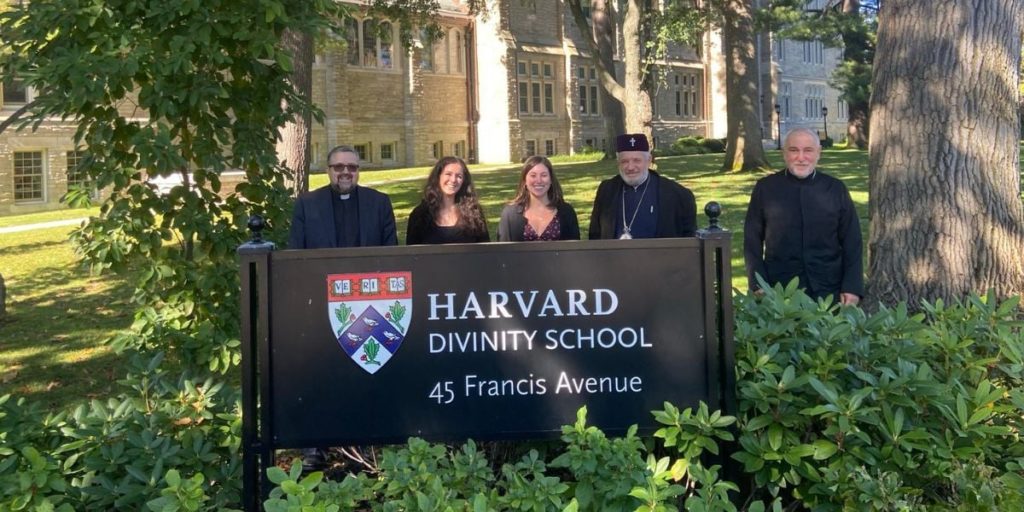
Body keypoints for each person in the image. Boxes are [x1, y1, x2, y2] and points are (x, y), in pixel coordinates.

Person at [743, 127, 863, 305]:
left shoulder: (836, 189)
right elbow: (752, 241)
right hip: (779, 290)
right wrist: (758, 285)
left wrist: (852, 287)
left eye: (808, 150)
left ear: (818, 153)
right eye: (794, 150)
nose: (801, 157)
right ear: (784, 153)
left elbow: (852, 241)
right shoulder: (766, 188)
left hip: (829, 289)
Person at [588, 133, 697, 239]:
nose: (630, 167)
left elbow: (689, 241)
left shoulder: (678, 194)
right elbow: (595, 235)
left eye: (637, 160)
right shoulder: (607, 190)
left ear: (648, 160)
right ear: (618, 163)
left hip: (661, 257)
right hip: (614, 257)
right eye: (624, 161)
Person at [289, 145, 398, 249]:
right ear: (328, 171)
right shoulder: (307, 204)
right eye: (338, 167)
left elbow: (391, 252)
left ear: (358, 171)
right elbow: (296, 253)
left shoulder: (379, 203)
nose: (346, 172)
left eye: (352, 167)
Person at [406, 156, 490, 244]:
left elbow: (484, 251)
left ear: (464, 181)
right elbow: (412, 254)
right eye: (448, 174)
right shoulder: (420, 215)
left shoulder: (474, 213)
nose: (453, 180)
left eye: (459, 176)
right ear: (438, 177)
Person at [498, 156, 580, 241]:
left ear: (551, 179)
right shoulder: (510, 215)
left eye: (544, 175)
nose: (539, 180)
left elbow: (574, 251)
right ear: (525, 180)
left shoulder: (567, 212)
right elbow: (503, 251)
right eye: (533, 175)